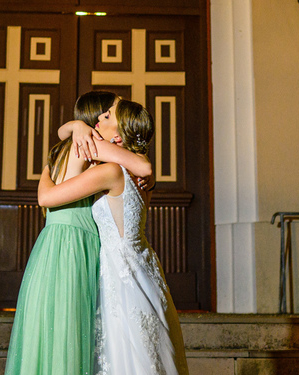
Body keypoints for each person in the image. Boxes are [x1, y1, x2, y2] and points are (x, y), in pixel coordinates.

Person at [3, 91, 150, 375]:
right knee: (67, 332)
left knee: (52, 332)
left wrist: (71, 129)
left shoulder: (69, 144)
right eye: (107, 113)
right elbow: (142, 166)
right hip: (73, 244)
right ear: (96, 120)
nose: (109, 118)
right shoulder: (88, 145)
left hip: (54, 242)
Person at [39, 100, 189, 375]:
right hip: (142, 268)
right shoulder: (136, 176)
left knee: (122, 354)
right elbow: (141, 166)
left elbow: (46, 197)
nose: (98, 119)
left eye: (107, 116)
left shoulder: (110, 171)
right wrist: (75, 126)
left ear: (117, 136)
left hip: (119, 275)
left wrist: (47, 168)